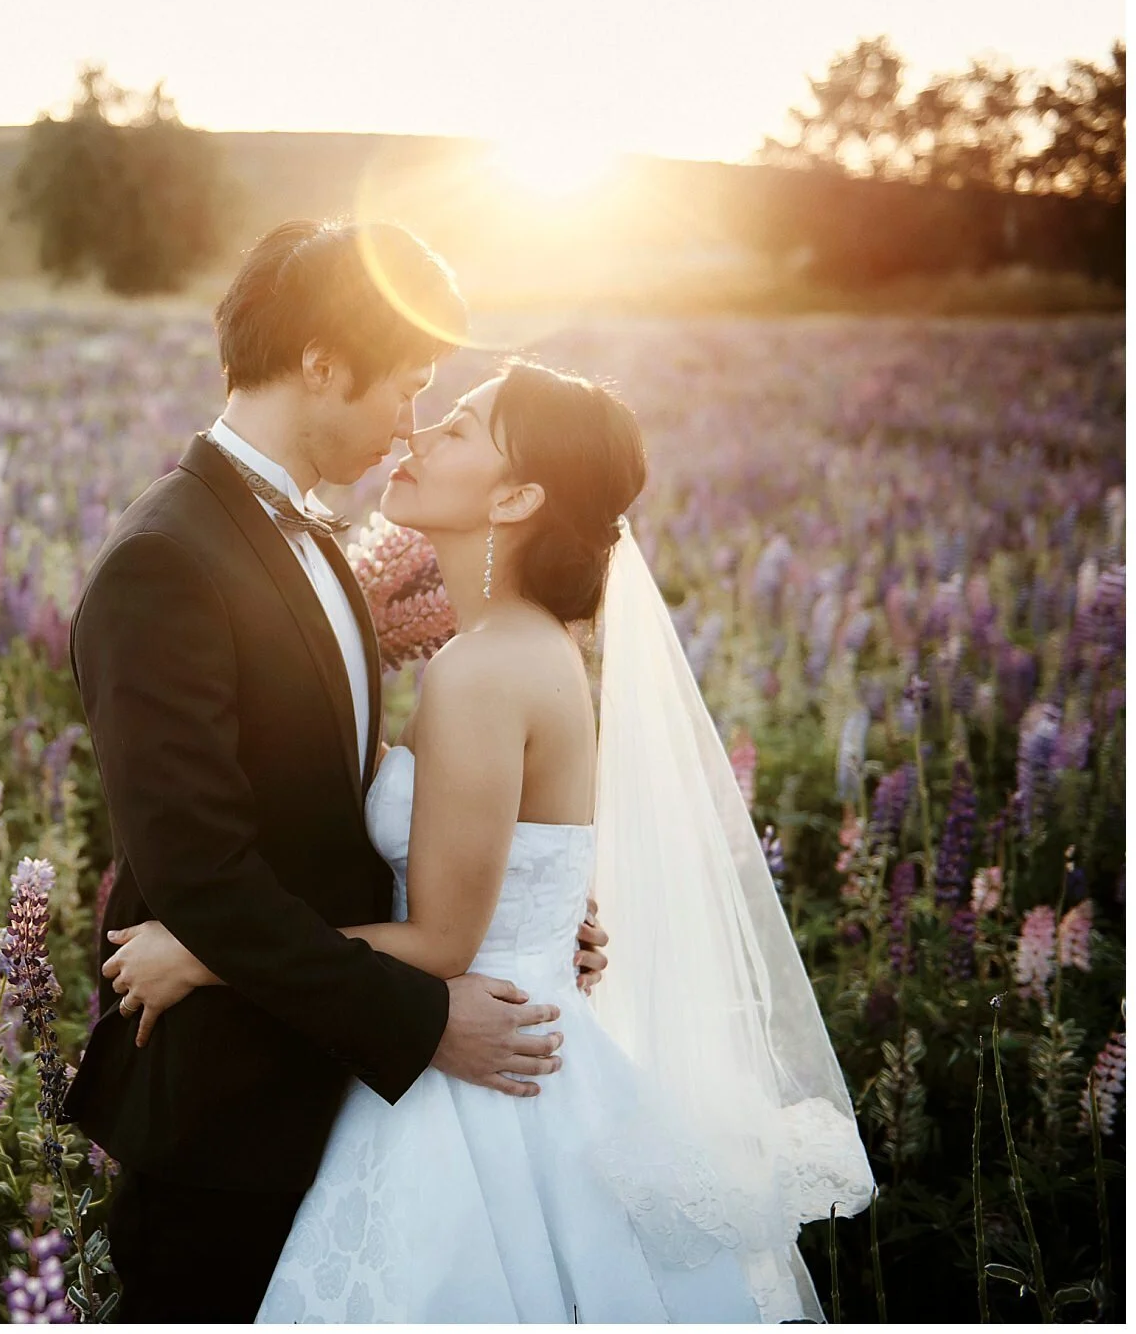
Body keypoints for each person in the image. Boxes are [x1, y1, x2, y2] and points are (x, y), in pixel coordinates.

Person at [105, 362, 876, 1321]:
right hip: (507, 1034)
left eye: (460, 429)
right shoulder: (526, 644)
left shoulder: (481, 669)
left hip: (475, 1082)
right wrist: (551, 924)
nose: (418, 435)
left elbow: (441, 946)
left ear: (515, 497)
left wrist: (203, 952)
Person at [60, 220, 610, 1323]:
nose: (408, 428)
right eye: (405, 387)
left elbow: (332, 820)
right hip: (227, 1113)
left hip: (343, 1095)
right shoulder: (165, 560)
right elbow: (200, 876)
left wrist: (518, 906)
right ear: (319, 363)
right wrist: (421, 1013)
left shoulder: (313, 538)